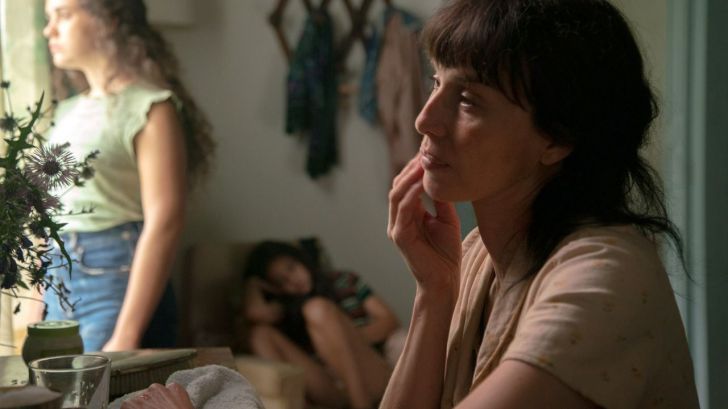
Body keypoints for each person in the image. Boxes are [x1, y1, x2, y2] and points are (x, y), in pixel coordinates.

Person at [379, 0, 700, 408]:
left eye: (468, 100)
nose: (424, 120)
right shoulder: (477, 255)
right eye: (436, 82)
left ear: (557, 138)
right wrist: (434, 290)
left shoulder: (606, 277)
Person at [41, 0, 214, 352]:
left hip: (115, 285)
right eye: (48, 18)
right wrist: (36, 306)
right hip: (58, 284)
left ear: (107, 20)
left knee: (102, 386)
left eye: (63, 15)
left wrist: (127, 334)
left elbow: (166, 221)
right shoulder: (66, 112)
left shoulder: (150, 108)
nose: (49, 30)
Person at [241, 240, 400, 409]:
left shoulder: (343, 280)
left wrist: (340, 339)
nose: (294, 281)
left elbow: (390, 321)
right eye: (282, 282)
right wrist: (252, 283)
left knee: (316, 308)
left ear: (301, 260)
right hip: (331, 386)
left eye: (292, 268)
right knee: (260, 334)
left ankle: (361, 403)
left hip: (370, 374)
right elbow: (254, 313)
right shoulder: (284, 308)